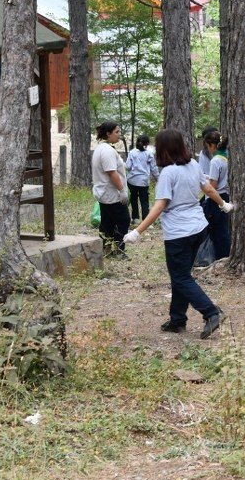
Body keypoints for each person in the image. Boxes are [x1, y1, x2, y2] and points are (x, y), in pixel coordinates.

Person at [124, 128, 233, 339]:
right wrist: (223, 205)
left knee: (181, 277)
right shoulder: (192, 164)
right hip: (198, 229)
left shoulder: (168, 173)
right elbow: (209, 190)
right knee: (181, 275)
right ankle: (177, 319)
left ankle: (211, 312)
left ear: (164, 149)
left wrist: (137, 231)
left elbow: (159, 206)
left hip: (179, 233)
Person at [92, 121, 130, 258]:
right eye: (117, 132)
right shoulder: (107, 151)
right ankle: (118, 250)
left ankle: (107, 249)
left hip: (105, 193)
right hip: (112, 194)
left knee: (107, 222)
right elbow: (112, 172)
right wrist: (122, 191)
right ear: (108, 134)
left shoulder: (102, 148)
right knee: (123, 220)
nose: (119, 135)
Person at [200, 130, 232, 263]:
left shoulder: (215, 161)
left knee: (217, 231)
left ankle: (219, 258)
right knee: (222, 228)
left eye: (207, 146)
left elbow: (213, 185)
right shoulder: (227, 157)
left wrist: (204, 182)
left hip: (216, 198)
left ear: (212, 145)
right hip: (225, 195)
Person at [125, 134, 158, 223]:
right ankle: (146, 221)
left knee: (133, 199)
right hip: (143, 181)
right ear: (147, 144)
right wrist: (158, 178)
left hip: (131, 180)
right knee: (144, 202)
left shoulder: (132, 153)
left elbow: (127, 166)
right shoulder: (149, 154)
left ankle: (135, 218)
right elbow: (153, 168)